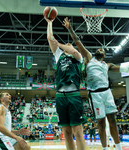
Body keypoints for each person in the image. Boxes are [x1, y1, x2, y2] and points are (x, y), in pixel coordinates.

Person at [63, 17, 129, 150]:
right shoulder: (89, 58)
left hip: (107, 93)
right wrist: (70, 29)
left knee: (113, 121)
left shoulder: (107, 65)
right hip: (95, 95)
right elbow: (78, 43)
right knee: (101, 124)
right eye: (99, 48)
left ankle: (119, 148)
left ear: (104, 55)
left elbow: (126, 69)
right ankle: (105, 149)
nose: (99, 48)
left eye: (102, 49)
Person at [45, 16, 87, 150]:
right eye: (66, 45)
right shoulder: (59, 56)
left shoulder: (78, 58)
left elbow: (73, 51)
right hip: (60, 97)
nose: (68, 45)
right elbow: (50, 39)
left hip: (74, 96)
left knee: (78, 132)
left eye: (69, 44)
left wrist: (60, 44)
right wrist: (50, 23)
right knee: (66, 133)